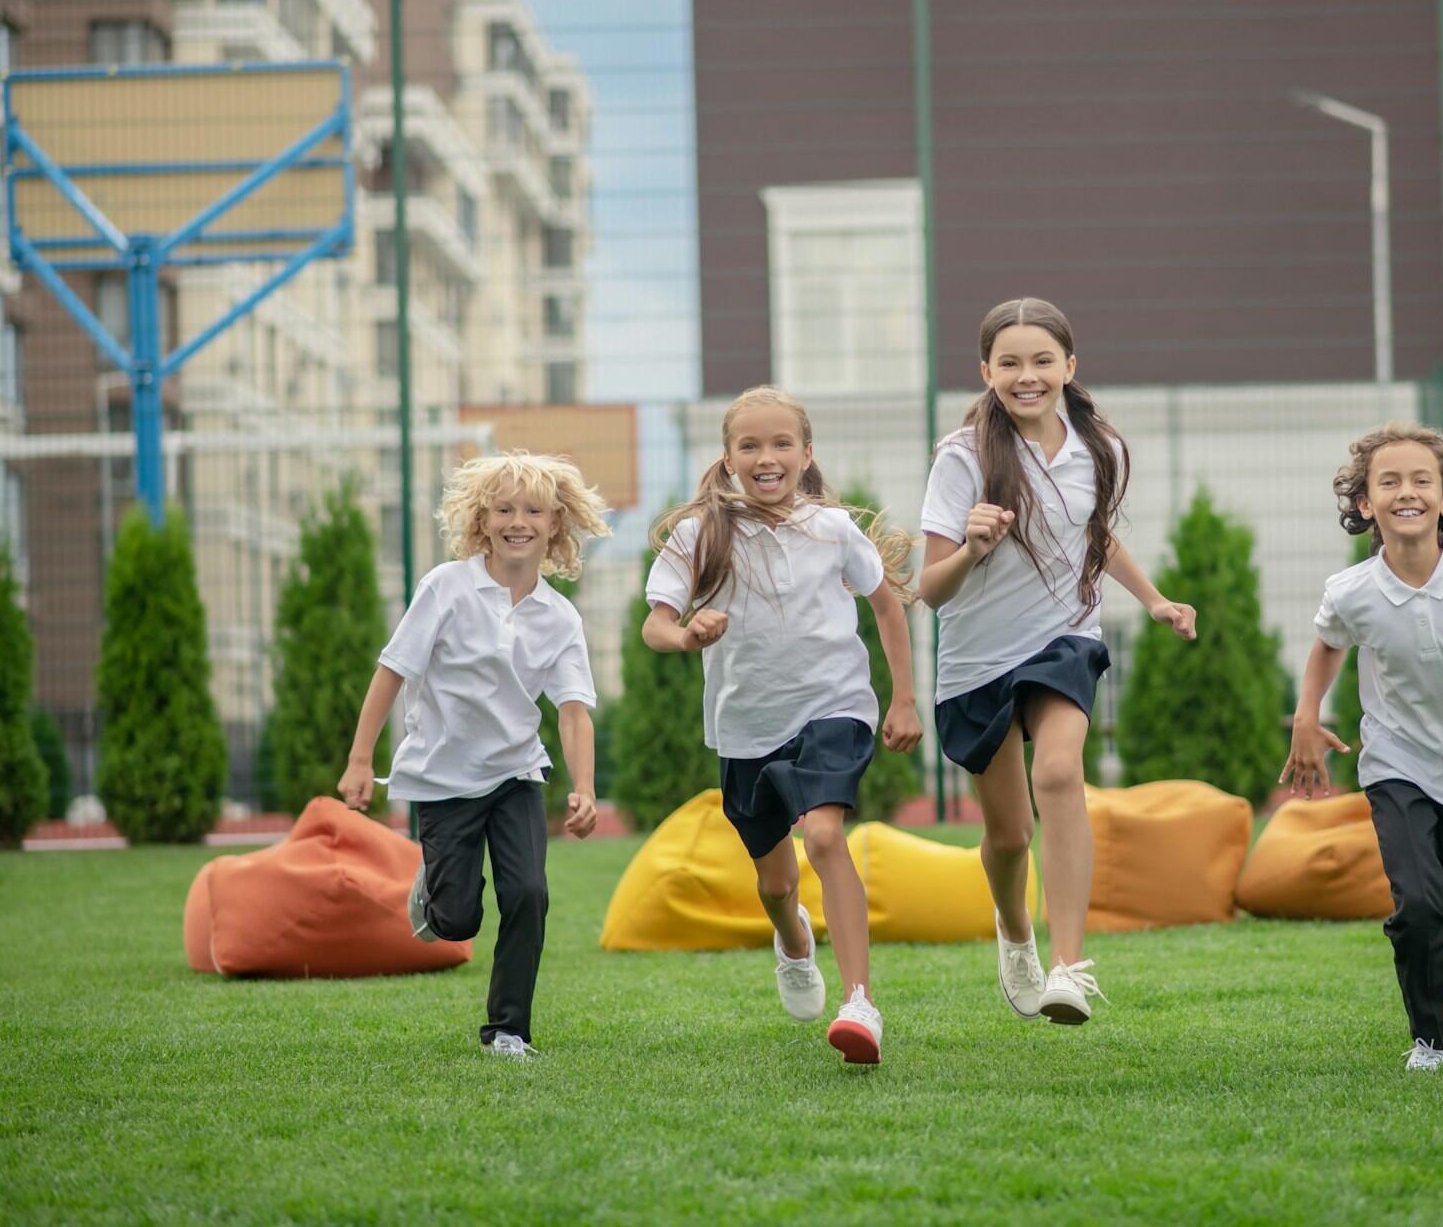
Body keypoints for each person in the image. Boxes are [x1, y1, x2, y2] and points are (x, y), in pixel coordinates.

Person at [919, 297, 1196, 1025]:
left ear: (1069, 367)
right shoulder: (962, 459)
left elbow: (1093, 536)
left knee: (1061, 770)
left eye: (1042, 360)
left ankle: (1071, 967)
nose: (1027, 375)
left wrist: (1156, 599)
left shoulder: (1095, 446)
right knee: (1009, 836)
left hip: (1064, 637)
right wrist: (973, 548)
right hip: (977, 661)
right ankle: (1016, 934)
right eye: (1009, 362)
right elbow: (930, 589)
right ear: (986, 372)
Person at [643, 386, 922, 1066]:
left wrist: (904, 700)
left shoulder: (833, 531)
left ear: (805, 453)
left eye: (780, 444)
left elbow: (887, 608)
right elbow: (654, 625)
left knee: (826, 835)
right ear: (729, 458)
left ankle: (861, 1003)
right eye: (750, 445)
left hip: (834, 707)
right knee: (774, 884)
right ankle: (793, 940)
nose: (766, 457)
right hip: (747, 729)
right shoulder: (700, 534)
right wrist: (686, 636)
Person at [1282, 423, 1443, 1073]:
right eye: (1389, 481)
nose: (1407, 492)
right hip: (1396, 766)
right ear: (1365, 504)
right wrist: (1305, 718)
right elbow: (1326, 649)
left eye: (1422, 480)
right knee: (1421, 903)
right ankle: (1430, 1037)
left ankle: (1428, 938)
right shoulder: (1352, 591)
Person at [337, 451, 612, 1059]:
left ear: (554, 524)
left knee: (528, 894)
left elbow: (572, 711)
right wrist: (361, 760)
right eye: (504, 509)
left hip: (515, 773)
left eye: (533, 510)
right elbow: (391, 672)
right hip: (441, 779)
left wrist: (584, 789)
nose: (519, 520)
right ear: (481, 521)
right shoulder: (446, 588)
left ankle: (508, 1029)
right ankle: (436, 886)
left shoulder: (560, 617)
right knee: (457, 921)